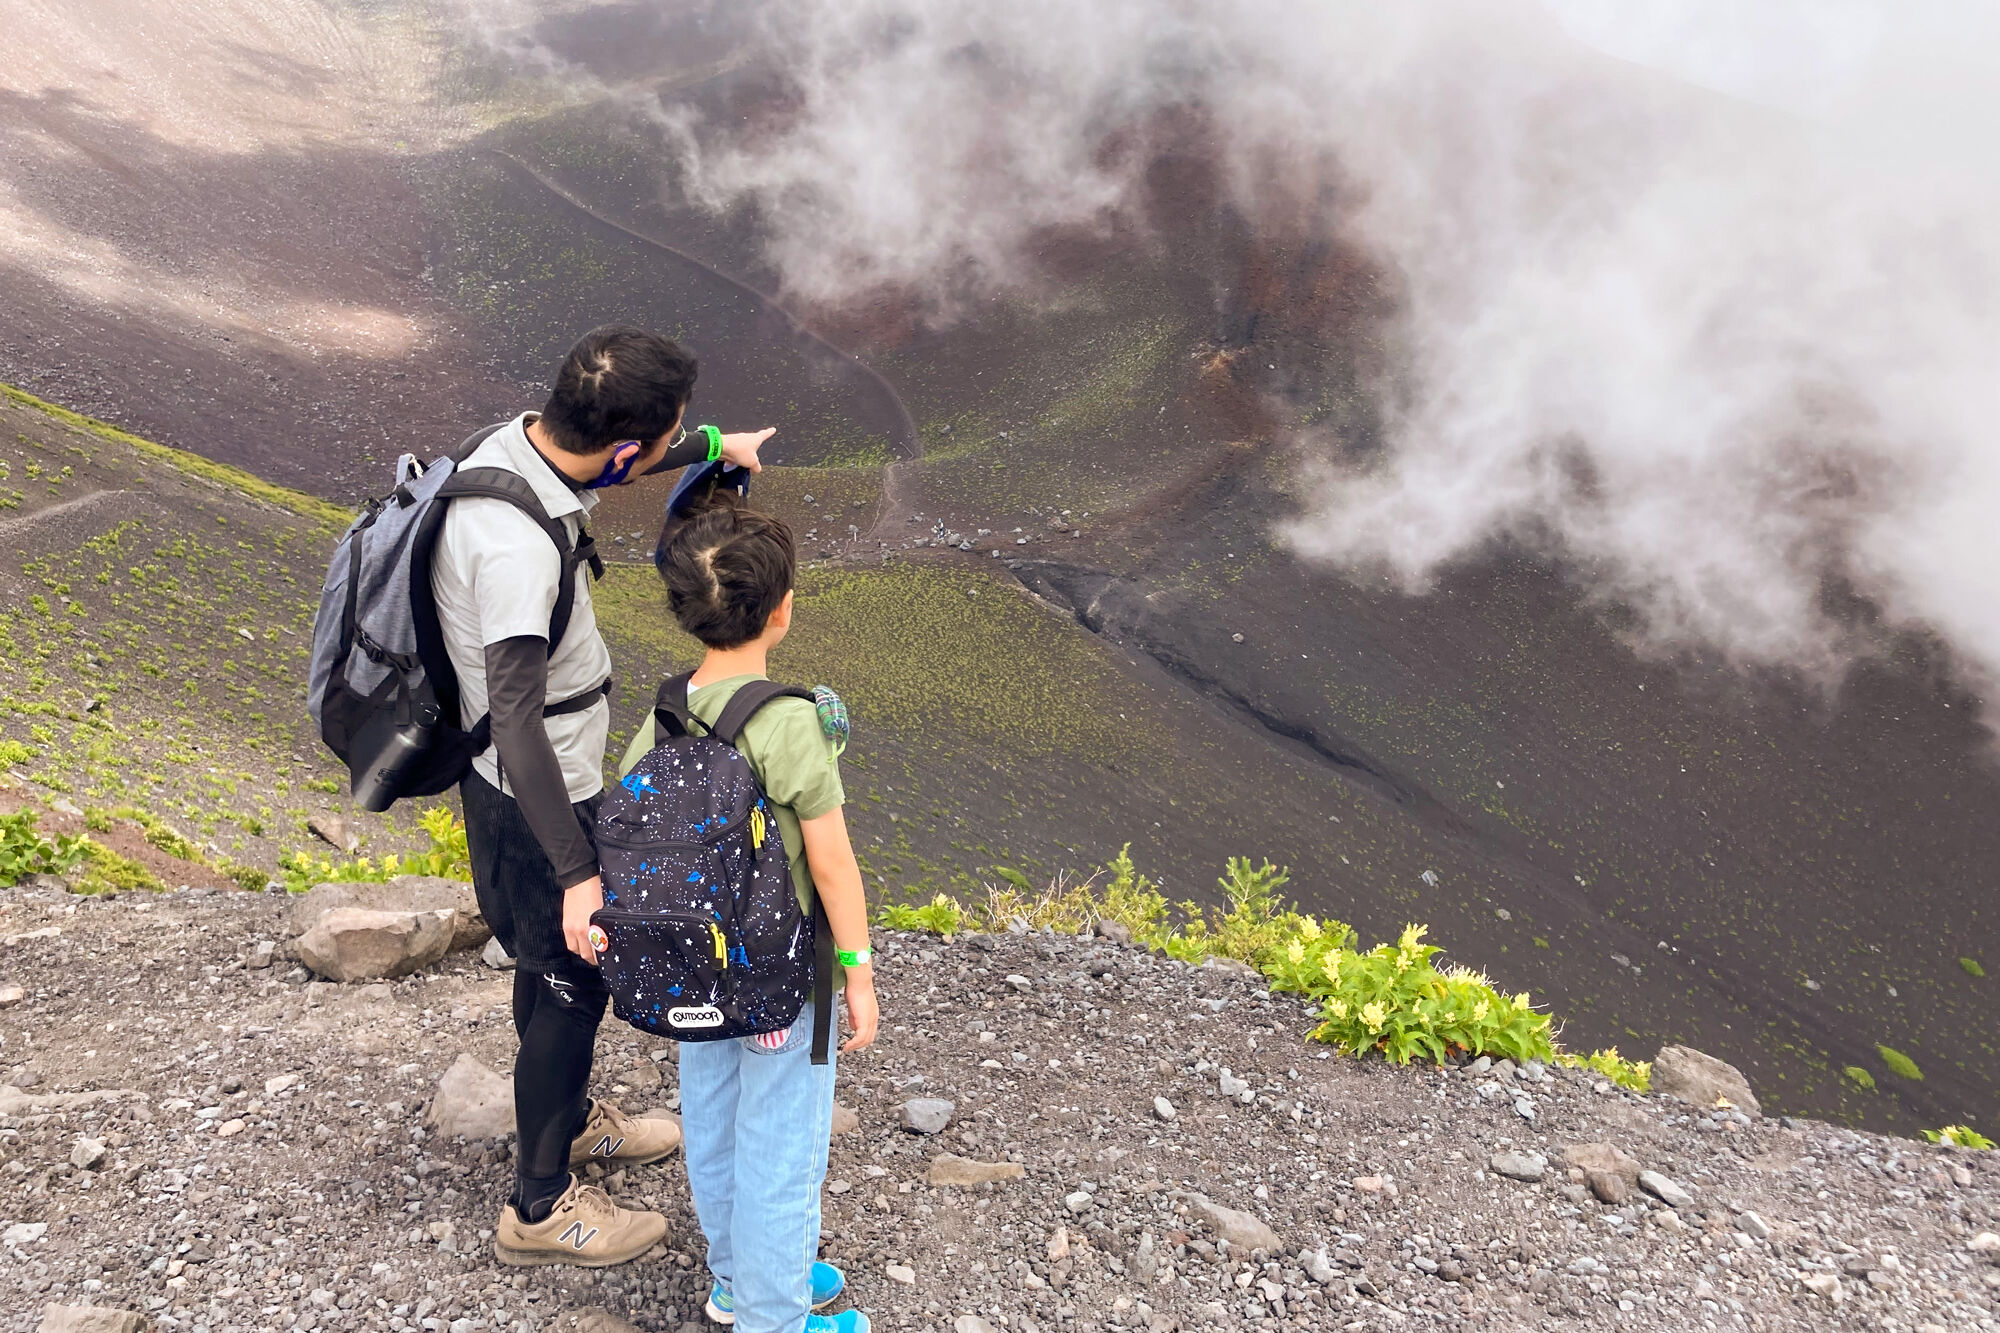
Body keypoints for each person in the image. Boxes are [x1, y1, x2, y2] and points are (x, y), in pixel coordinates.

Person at [431, 324, 774, 1265]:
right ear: (622, 450)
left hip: (517, 782)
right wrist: (579, 871)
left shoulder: (519, 443)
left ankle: (571, 1120)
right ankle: (540, 1207)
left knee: (545, 964)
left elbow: (626, 454)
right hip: (541, 790)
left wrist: (716, 446)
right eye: (665, 436)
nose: (665, 448)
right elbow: (516, 720)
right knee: (573, 981)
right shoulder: (517, 554)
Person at [616, 492, 880, 1332]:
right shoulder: (791, 722)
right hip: (780, 980)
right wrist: (857, 969)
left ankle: (737, 1279)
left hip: (692, 970)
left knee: (714, 1123)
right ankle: (776, 1315)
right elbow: (832, 864)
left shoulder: (662, 715)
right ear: (781, 610)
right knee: (782, 1142)